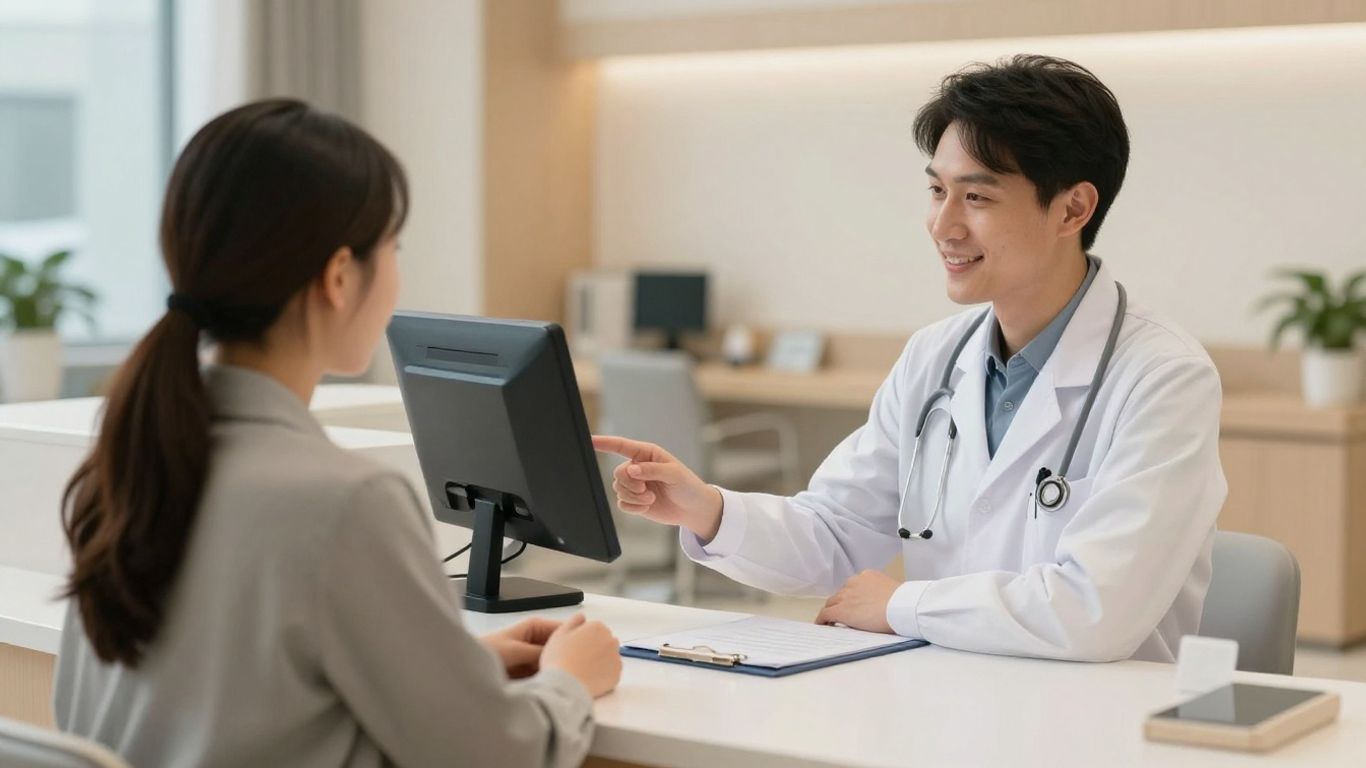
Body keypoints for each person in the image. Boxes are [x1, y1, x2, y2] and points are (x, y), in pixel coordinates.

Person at [595, 55, 1227, 664]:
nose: (942, 226)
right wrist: (707, 508)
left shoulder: (1162, 377)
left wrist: (901, 605)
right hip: (945, 692)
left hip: (1096, 722)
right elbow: (838, 532)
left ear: (1072, 208)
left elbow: (1096, 611)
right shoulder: (936, 355)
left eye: (976, 198)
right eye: (936, 191)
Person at [53, 99, 621, 768]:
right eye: (394, 248)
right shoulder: (346, 502)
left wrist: (455, 672)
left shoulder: (130, 465)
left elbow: (223, 699)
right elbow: (494, 757)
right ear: (340, 276)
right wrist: (569, 684)